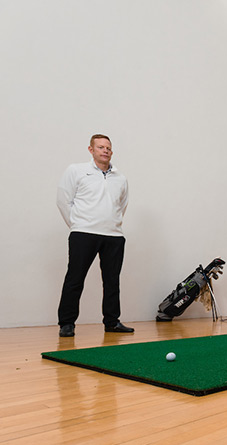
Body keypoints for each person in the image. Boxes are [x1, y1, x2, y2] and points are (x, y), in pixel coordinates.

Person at [56, 134, 133, 337]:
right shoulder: (76, 171)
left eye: (108, 147)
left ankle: (112, 321)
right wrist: (77, 224)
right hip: (84, 233)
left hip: (114, 236)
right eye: (100, 147)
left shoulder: (121, 178)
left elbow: (121, 206)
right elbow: (63, 201)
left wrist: (112, 224)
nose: (105, 150)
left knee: (112, 280)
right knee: (75, 278)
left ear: (111, 151)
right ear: (91, 150)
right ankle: (67, 323)